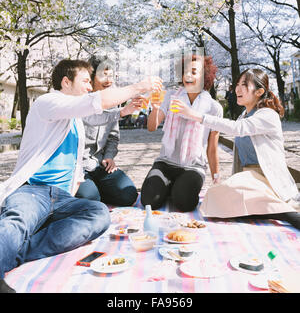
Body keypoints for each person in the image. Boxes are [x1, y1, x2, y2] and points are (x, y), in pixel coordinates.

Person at [0, 59, 162, 293]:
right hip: (33, 189)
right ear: (66, 82)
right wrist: (139, 86)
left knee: (99, 214)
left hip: (63, 196)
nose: (89, 86)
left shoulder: (74, 117)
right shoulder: (48, 102)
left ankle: (18, 253)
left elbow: (96, 116)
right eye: (85, 81)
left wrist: (124, 111)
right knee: (17, 220)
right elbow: (93, 103)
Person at [171, 68, 300, 230]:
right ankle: (266, 208)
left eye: (244, 85)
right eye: (237, 84)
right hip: (250, 178)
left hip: (268, 178)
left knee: (227, 194)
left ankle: (285, 213)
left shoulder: (268, 115)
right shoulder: (244, 115)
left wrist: (195, 115)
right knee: (215, 195)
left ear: (259, 91)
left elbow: (237, 128)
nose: (238, 88)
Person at [140, 54, 223, 212]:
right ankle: (169, 184)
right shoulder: (171, 97)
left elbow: (212, 148)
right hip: (165, 163)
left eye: (193, 72)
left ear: (204, 76)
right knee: (149, 201)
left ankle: (177, 186)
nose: (188, 76)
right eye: (185, 72)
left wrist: (216, 178)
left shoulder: (214, 107)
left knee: (184, 203)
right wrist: (156, 107)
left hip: (193, 167)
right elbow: (151, 127)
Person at [76, 56, 140, 206]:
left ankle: (96, 189)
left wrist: (109, 156)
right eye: (103, 75)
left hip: (99, 164)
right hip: (79, 166)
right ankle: (90, 191)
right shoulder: (81, 100)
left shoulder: (112, 102)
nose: (108, 80)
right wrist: (123, 111)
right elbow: (90, 118)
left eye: (110, 75)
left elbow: (113, 136)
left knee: (129, 195)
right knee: (90, 200)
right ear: (91, 77)